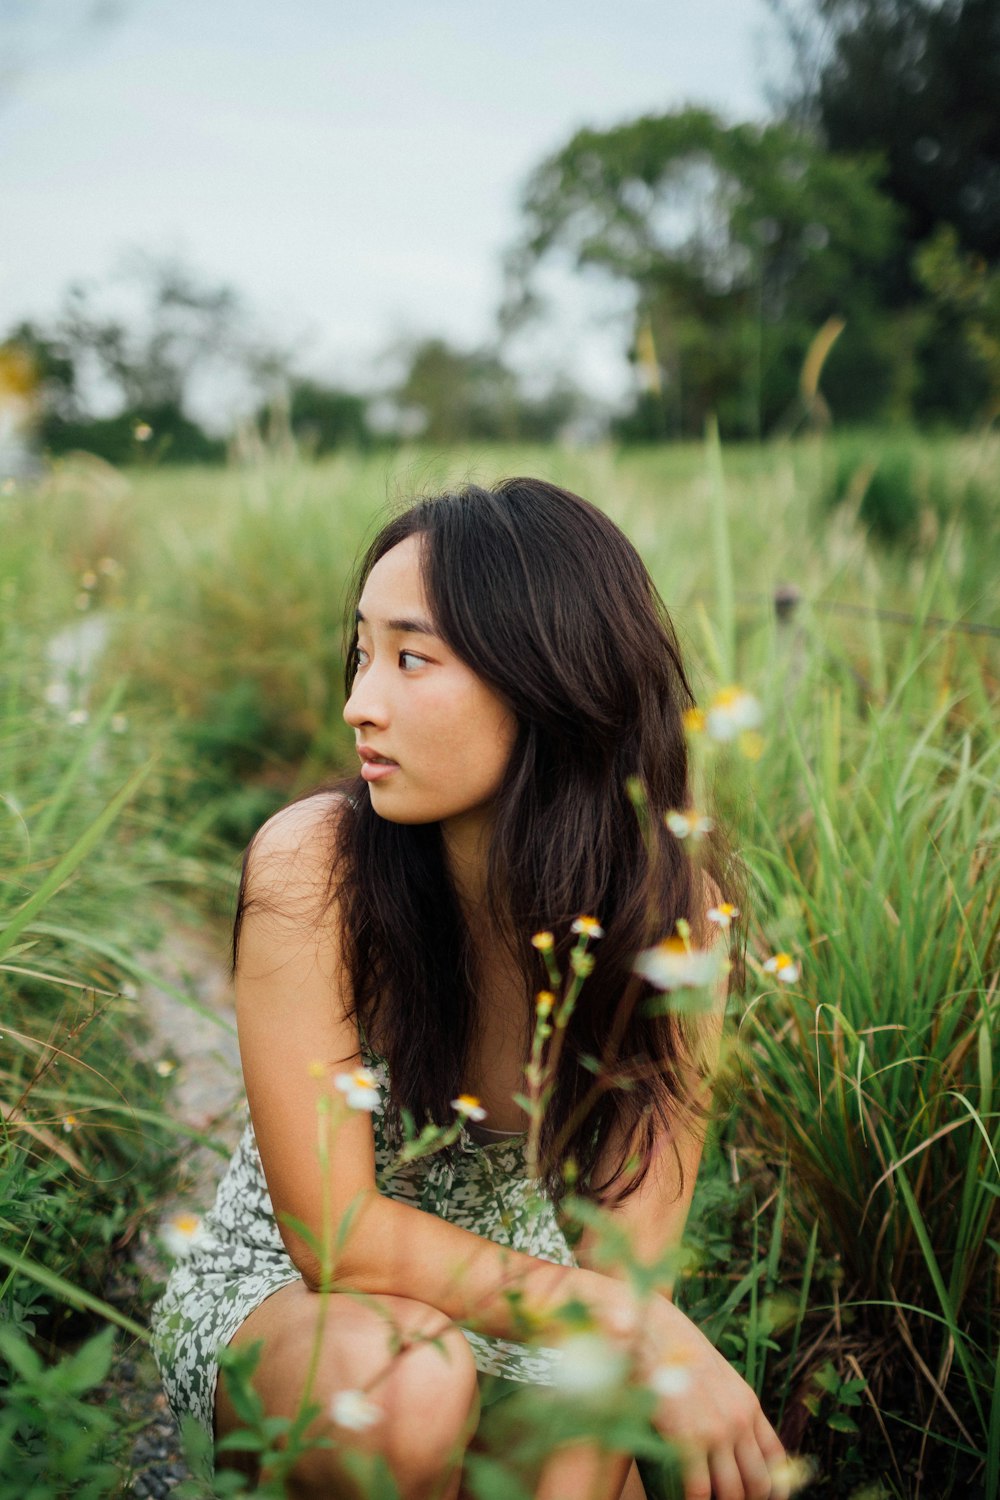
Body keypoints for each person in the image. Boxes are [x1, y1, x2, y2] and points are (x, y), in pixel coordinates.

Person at [152, 477, 789, 1500]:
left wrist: (620, 1337)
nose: (360, 701)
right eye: (361, 653)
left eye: (411, 658)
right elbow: (337, 1236)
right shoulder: (314, 866)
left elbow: (625, 1272)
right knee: (411, 1388)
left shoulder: (670, 924)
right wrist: (631, 1324)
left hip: (533, 1313)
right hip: (306, 1298)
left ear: (546, 681)